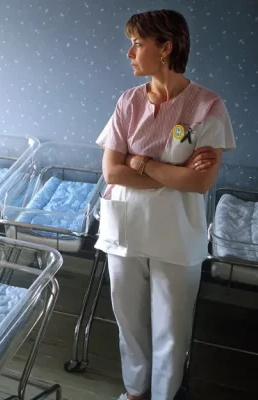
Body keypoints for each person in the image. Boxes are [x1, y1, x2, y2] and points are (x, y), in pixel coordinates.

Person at [94, 9, 235, 400]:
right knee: (131, 323)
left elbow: (200, 181)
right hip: (125, 229)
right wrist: (171, 172)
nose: (129, 53)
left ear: (166, 47)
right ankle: (135, 392)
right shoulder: (128, 102)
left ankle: (164, 396)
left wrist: (141, 162)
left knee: (171, 329)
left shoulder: (207, 106)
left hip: (176, 234)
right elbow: (112, 173)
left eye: (138, 44)